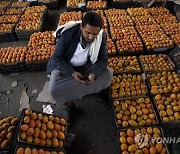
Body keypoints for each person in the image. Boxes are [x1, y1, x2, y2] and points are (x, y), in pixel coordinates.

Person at [47, 12, 113, 124]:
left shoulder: (102, 37)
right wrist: (72, 73)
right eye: (88, 33)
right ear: (81, 27)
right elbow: (57, 58)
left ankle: (97, 91)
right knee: (54, 90)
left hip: (87, 66)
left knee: (108, 74)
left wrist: (94, 74)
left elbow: (103, 60)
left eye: (94, 34)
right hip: (66, 66)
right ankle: (71, 106)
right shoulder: (67, 34)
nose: (91, 37)